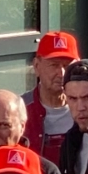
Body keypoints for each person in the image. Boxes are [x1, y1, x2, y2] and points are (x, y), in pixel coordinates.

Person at [24, 32, 79, 163]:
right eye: (54, 65)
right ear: (37, 66)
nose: (62, 73)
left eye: (67, 65)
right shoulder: (18, 110)